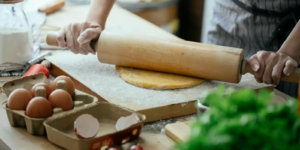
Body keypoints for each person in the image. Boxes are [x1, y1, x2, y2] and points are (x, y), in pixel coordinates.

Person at [56, 0, 300, 97]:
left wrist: (289, 52)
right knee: (213, 95)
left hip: (291, 33)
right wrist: (94, 23)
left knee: (278, 113)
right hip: (229, 19)